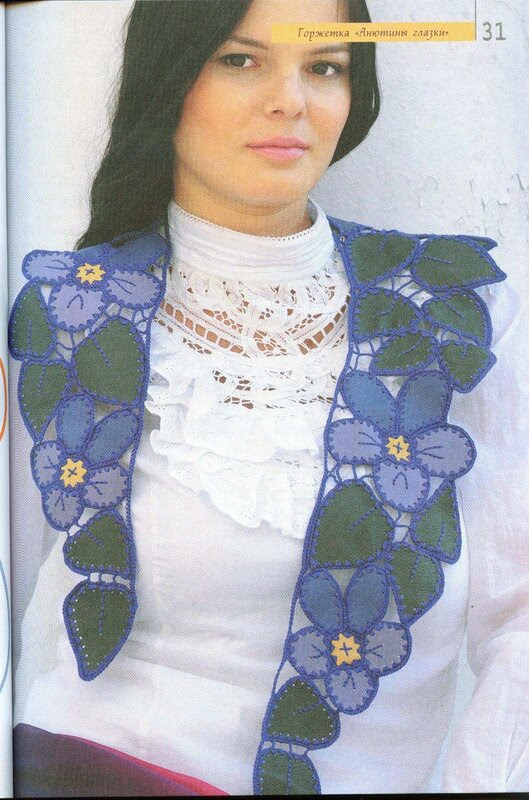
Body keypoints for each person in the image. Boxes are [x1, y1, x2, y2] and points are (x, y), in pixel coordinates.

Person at [8, 0, 524, 796]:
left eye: (324, 67)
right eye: (239, 60)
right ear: (170, 77)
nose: (290, 100)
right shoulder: (63, 312)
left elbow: (518, 615)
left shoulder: (460, 314)